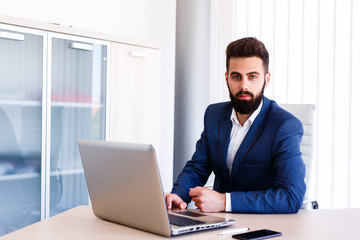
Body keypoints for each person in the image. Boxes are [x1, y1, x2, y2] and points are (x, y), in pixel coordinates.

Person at [166, 37, 306, 214]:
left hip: (264, 225)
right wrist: (178, 196)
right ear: (227, 78)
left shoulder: (285, 126)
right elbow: (198, 167)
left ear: (267, 79)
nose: (243, 86)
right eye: (236, 77)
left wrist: (225, 202)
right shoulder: (214, 115)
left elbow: (290, 197)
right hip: (218, 223)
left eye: (252, 77)